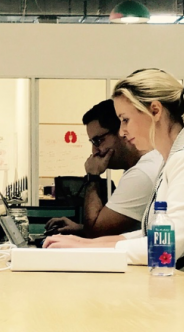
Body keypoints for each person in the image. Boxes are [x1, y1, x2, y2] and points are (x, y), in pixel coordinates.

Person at [44, 68, 184, 289]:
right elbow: (148, 235)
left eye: (125, 120)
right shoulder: (175, 158)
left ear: (155, 110)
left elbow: (166, 246)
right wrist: (86, 244)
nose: (122, 132)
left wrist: (87, 247)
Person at [45, 99, 163, 237]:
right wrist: (79, 228)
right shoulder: (150, 162)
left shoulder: (141, 174)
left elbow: (95, 232)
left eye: (98, 141)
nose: (95, 151)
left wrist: (92, 176)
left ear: (122, 133)